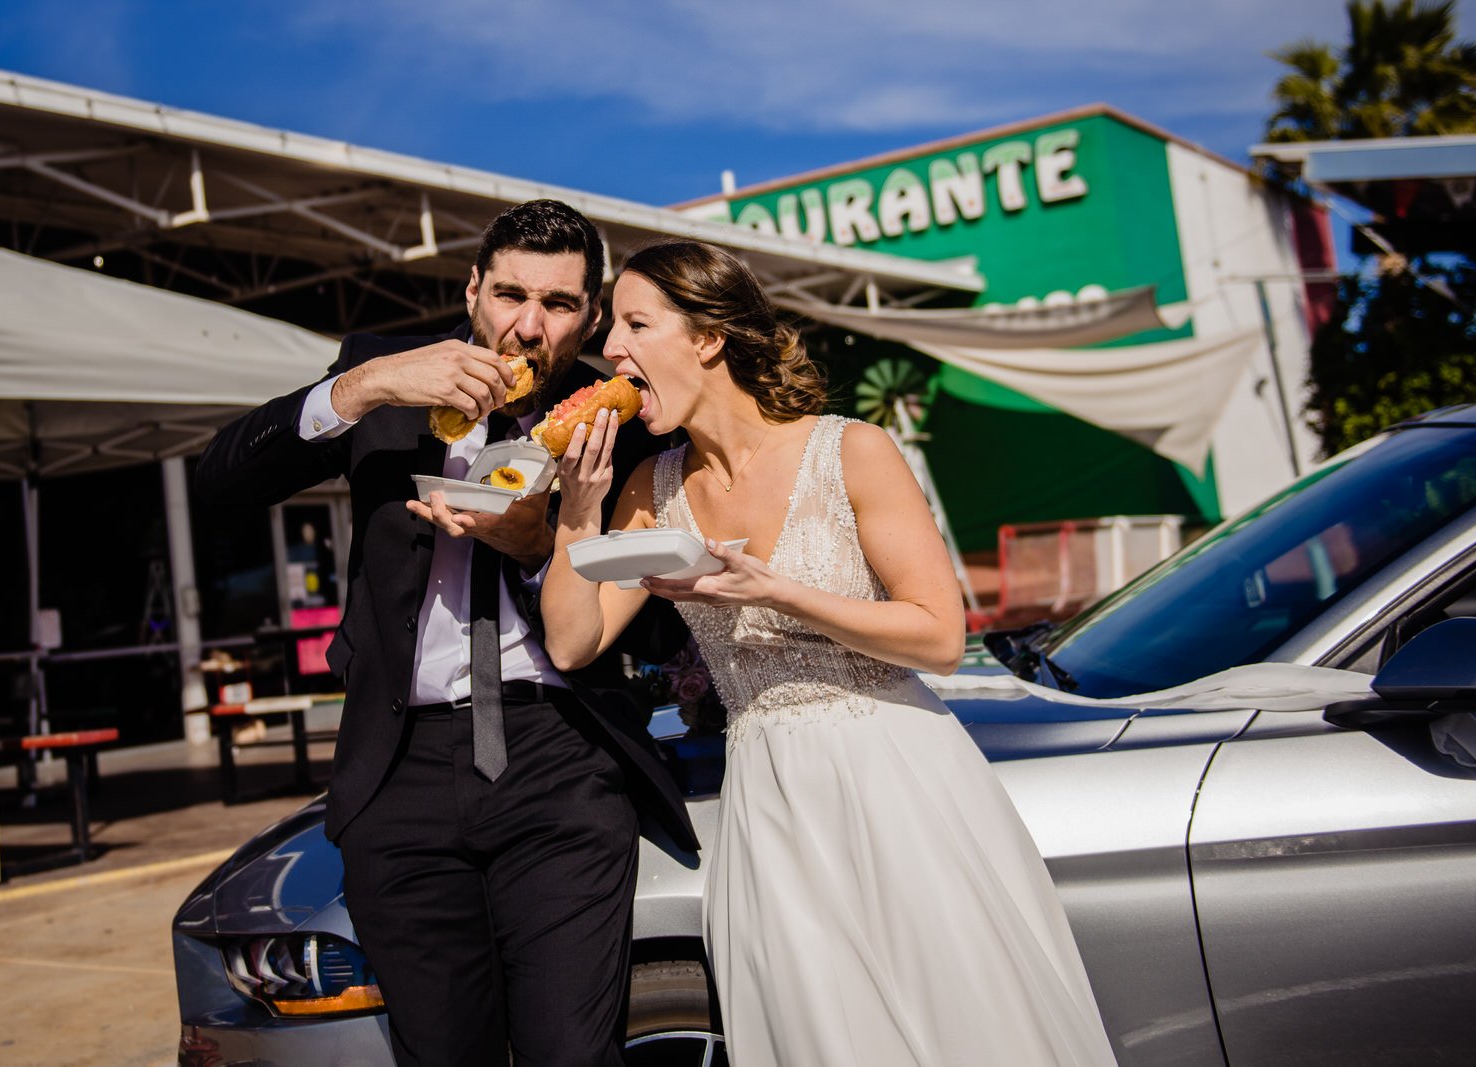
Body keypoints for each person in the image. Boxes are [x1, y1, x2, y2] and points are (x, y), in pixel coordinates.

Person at [541, 239, 1119, 1065]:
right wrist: (577, 508)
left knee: (960, 1025)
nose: (614, 351)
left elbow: (941, 636)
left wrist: (774, 589)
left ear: (708, 337)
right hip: (768, 798)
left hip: (897, 777)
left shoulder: (851, 450)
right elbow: (572, 637)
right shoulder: (649, 488)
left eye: (636, 324)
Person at [193, 200, 698, 1067]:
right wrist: (364, 387)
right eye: (509, 295)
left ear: (589, 315)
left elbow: (653, 628)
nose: (528, 326)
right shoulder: (381, 376)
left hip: (560, 753)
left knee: (573, 1055)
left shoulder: (625, 419)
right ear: (472, 289)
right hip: (401, 768)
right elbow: (218, 483)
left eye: (560, 305)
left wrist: (541, 549)